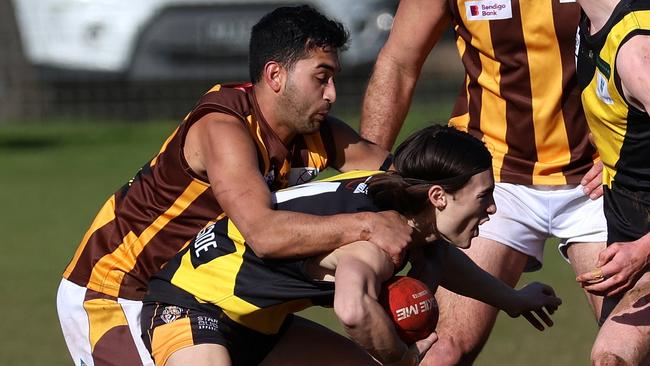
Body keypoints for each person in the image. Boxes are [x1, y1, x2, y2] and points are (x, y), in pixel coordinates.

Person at [56, 6, 414, 366]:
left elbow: (400, 180)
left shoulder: (318, 132)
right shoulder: (224, 127)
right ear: (275, 75)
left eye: (334, 77)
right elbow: (265, 234)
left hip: (208, 296)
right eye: (321, 78)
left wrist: (450, 190)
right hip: (119, 292)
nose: (332, 93)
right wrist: (368, 225)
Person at [141, 125, 562, 366]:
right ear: (438, 196)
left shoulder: (404, 212)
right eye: (483, 196)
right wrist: (402, 358)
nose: (491, 209)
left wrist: (511, 299)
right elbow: (353, 309)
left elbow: (441, 256)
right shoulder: (375, 242)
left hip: (262, 325)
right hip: (190, 307)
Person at [360, 1, 609, 364]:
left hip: (597, 177)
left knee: (625, 351)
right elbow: (398, 63)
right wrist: (367, 186)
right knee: (439, 350)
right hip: (487, 179)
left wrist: (631, 152)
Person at [574, 1, 650, 363]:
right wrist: (610, 154)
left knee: (612, 355)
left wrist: (643, 250)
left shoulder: (637, 52)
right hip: (630, 227)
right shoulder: (591, 22)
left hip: (644, 242)